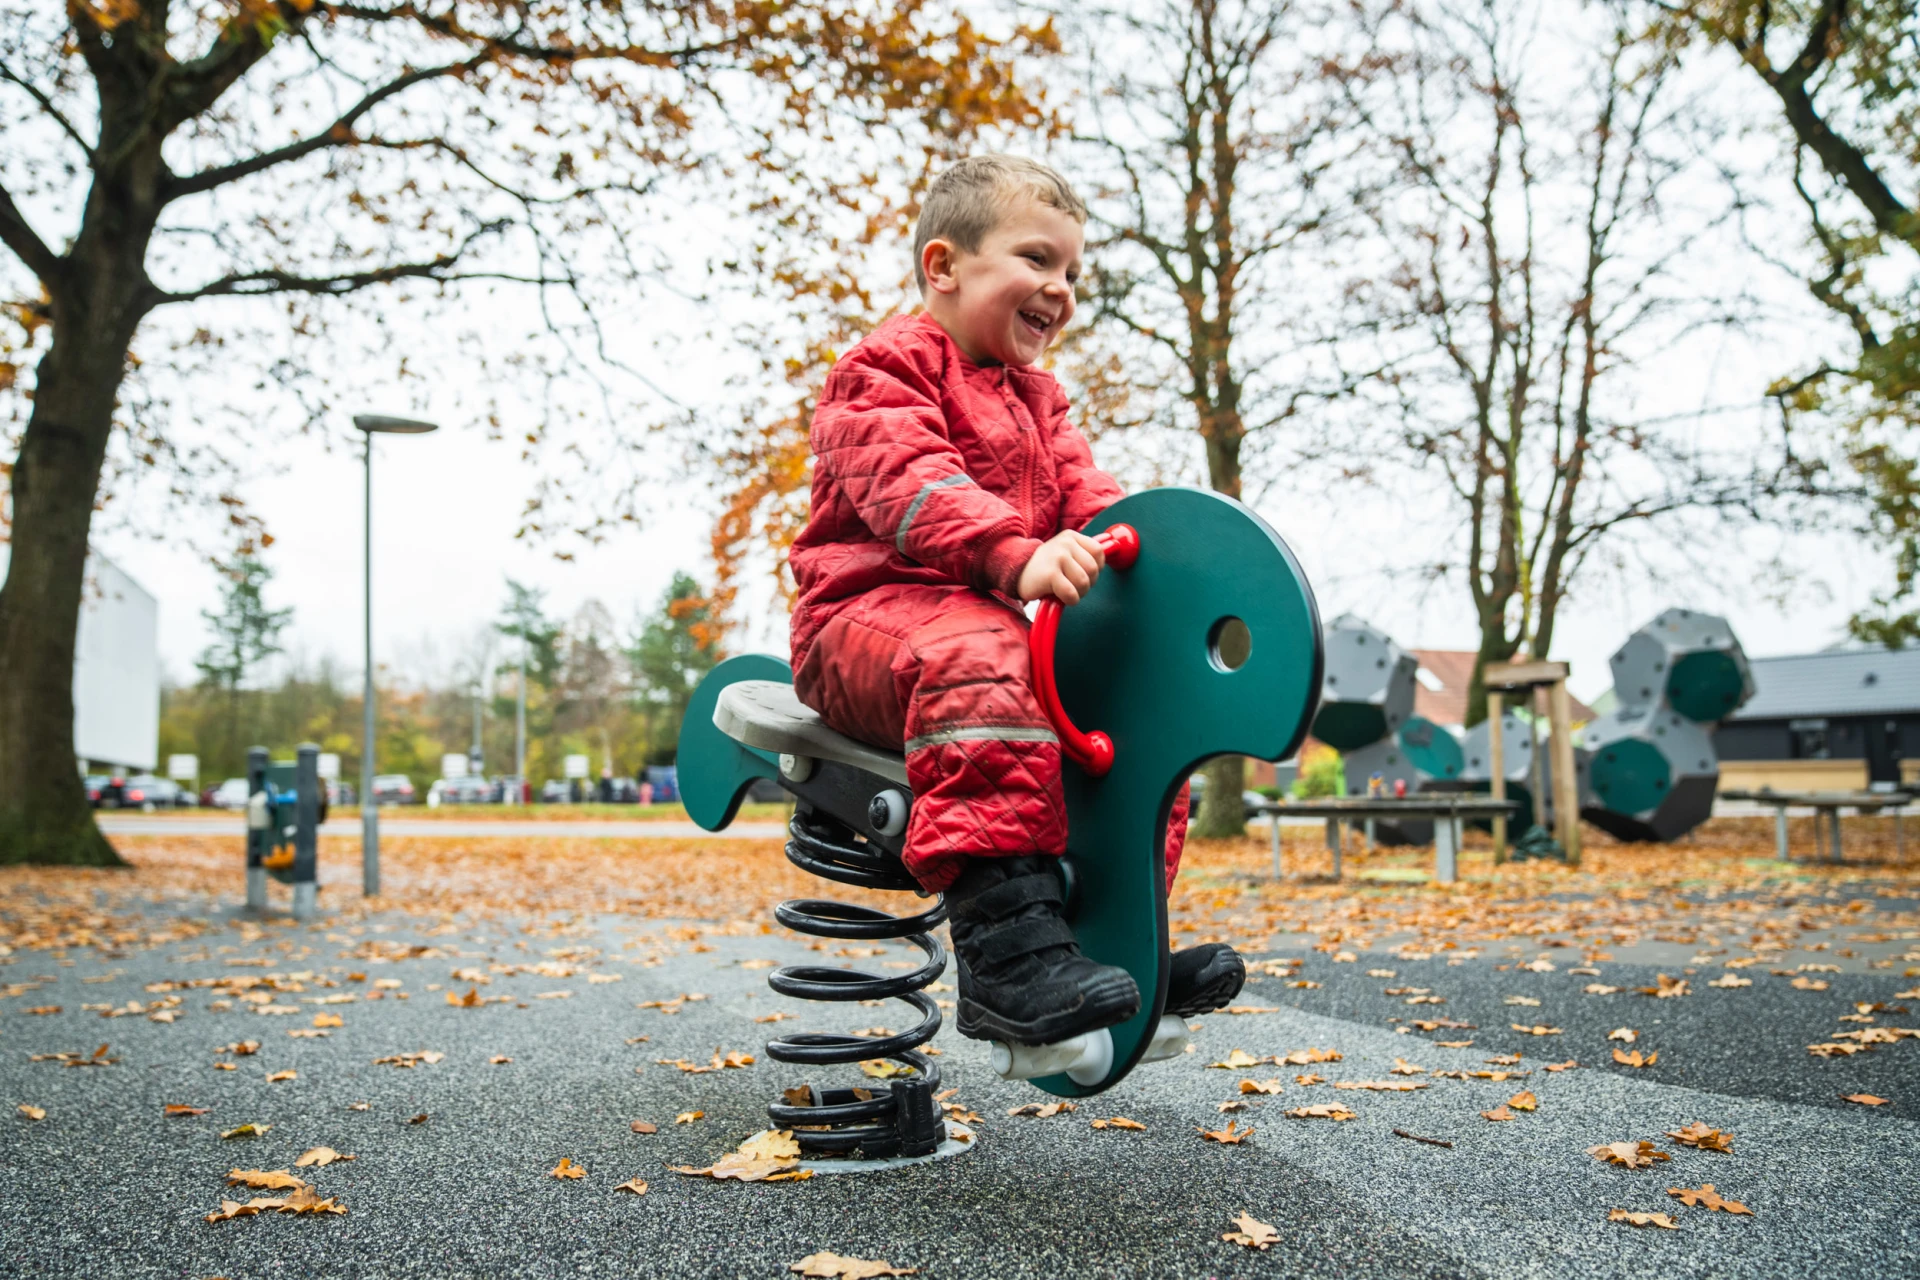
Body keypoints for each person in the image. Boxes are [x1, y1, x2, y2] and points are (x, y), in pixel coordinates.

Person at [788, 154, 1245, 1048]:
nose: (1060, 288)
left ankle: (1117, 945)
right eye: (1037, 259)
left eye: (1073, 272)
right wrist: (1016, 553)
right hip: (860, 624)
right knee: (983, 658)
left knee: (1129, 707)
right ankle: (1008, 965)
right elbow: (910, 485)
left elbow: (1096, 503)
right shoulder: (882, 369)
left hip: (981, 621)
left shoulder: (1042, 402)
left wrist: (1164, 574)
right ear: (944, 266)